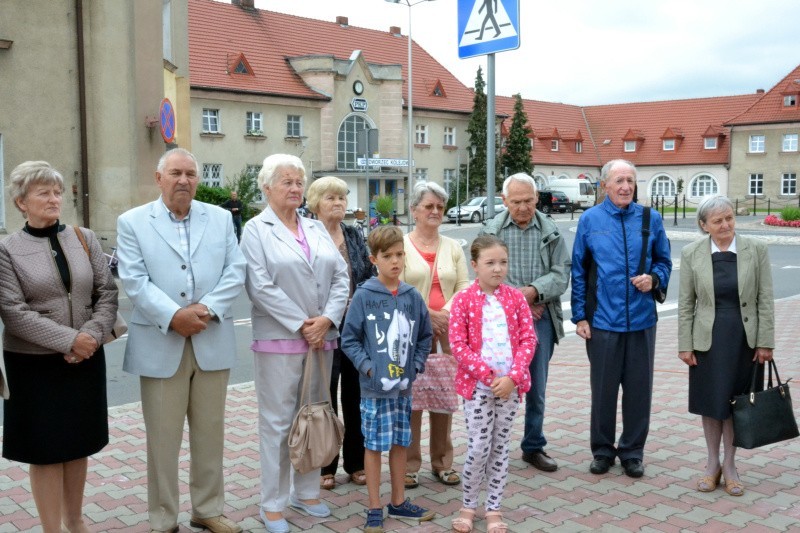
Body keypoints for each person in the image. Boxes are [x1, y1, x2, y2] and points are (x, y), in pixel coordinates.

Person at [117, 148, 246, 533]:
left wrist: (204, 309)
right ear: (160, 179)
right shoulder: (133, 221)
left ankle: (207, 508)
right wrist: (173, 316)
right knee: (162, 439)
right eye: (176, 173)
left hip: (210, 336)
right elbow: (134, 280)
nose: (184, 180)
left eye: (191, 173)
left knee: (211, 433)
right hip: (160, 342)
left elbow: (235, 270)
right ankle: (163, 517)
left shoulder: (220, 218)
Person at [0, 161, 118, 533]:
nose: (54, 199)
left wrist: (91, 337)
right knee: (46, 452)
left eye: (57, 192)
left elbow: (107, 294)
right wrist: (70, 340)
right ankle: (52, 529)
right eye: (43, 193)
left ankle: (76, 521)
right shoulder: (7, 250)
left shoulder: (84, 237)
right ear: (22, 202)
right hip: (33, 364)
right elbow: (13, 312)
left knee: (78, 444)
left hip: (85, 358)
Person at [240, 155, 349, 533]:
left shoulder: (316, 228)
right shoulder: (255, 230)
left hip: (321, 340)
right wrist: (302, 324)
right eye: (287, 181)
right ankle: (272, 503)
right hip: (278, 340)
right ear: (267, 187)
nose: (295, 188)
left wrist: (328, 320)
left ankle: (306, 492)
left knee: (314, 415)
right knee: (277, 423)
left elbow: (341, 276)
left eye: (299, 182)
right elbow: (259, 284)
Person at [571, 159, 672, 478]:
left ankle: (632, 451)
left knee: (639, 389)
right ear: (605, 186)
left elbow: (665, 261)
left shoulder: (650, 218)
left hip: (642, 320)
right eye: (619, 181)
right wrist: (580, 317)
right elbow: (578, 271)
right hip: (602, 321)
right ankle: (602, 450)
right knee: (602, 390)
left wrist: (654, 279)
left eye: (630, 180)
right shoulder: (590, 220)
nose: (626, 186)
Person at [340, 226, 435, 533]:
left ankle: (398, 501)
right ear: (373, 259)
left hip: (403, 391)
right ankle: (374, 506)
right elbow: (349, 340)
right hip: (373, 391)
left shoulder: (411, 296)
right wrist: (368, 368)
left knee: (399, 443)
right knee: (373, 446)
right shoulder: (364, 296)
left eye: (399, 254)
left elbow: (424, 335)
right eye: (387, 256)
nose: (395, 261)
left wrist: (416, 365)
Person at [678, 195, 774, 496]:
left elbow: (765, 300)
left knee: (737, 403)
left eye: (729, 217)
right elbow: (686, 304)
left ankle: (731, 466)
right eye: (717, 220)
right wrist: (685, 344)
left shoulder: (755, 249)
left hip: (743, 338)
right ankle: (711, 464)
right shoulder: (692, 253)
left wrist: (765, 342)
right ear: (704, 225)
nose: (726, 225)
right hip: (707, 339)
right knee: (711, 404)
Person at [481, 173, 571, 473]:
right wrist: (517, 304)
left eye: (529, 201)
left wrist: (533, 293)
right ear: (504, 201)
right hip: (498, 320)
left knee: (536, 387)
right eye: (516, 201)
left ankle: (533, 446)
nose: (523, 207)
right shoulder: (491, 230)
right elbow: (484, 276)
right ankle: (490, 448)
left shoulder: (551, 230)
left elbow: (561, 274)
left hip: (540, 317)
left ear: (537, 199)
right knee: (494, 384)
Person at [448, 236, 537, 533]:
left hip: (510, 388)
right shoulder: (463, 300)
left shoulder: (515, 298)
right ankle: (468, 505)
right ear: (474, 266)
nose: (498, 269)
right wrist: (488, 378)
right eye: (490, 263)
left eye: (503, 262)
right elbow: (458, 345)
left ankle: (494, 508)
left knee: (500, 448)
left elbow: (528, 340)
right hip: (478, 388)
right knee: (478, 447)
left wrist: (512, 378)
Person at [305, 176, 373, 490]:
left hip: (355, 328)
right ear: (316, 202)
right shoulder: (306, 235)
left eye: (342, 198)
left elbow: (369, 275)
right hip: (322, 327)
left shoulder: (354, 234)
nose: (339, 204)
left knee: (356, 396)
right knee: (325, 397)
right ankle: (325, 465)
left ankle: (356, 463)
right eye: (331, 198)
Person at [401, 181, 469, 488]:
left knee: (442, 397)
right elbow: (394, 287)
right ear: (414, 210)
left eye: (440, 207)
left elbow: (465, 286)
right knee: (412, 400)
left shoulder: (453, 246)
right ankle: (409, 465)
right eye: (428, 206)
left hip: (447, 331)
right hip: (412, 332)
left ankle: (442, 462)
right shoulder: (400, 245)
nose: (435, 211)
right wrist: (427, 314)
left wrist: (446, 315)